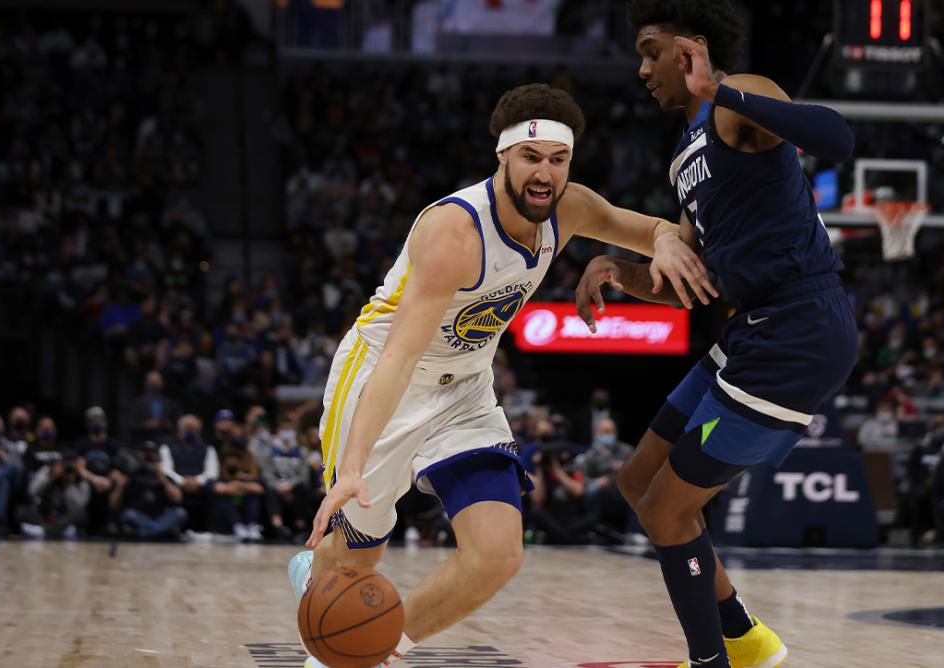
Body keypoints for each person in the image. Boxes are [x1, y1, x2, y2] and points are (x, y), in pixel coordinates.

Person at [288, 82, 716, 667]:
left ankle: (374, 649)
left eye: (558, 159)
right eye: (531, 157)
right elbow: (399, 359)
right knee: (355, 561)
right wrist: (354, 466)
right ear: (503, 156)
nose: (545, 173)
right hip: (385, 377)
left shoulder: (570, 208)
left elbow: (650, 229)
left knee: (496, 557)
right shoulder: (454, 233)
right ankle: (321, 576)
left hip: (466, 387)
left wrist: (664, 242)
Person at [576, 2, 857, 665]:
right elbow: (688, 282)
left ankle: (711, 661)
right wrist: (617, 270)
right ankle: (746, 637)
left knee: (667, 510)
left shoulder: (741, 98)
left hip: (799, 328)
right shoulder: (685, 156)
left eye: (652, 52)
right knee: (638, 482)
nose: (643, 70)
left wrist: (719, 90)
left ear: (691, 50)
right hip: (751, 326)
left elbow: (837, 138)